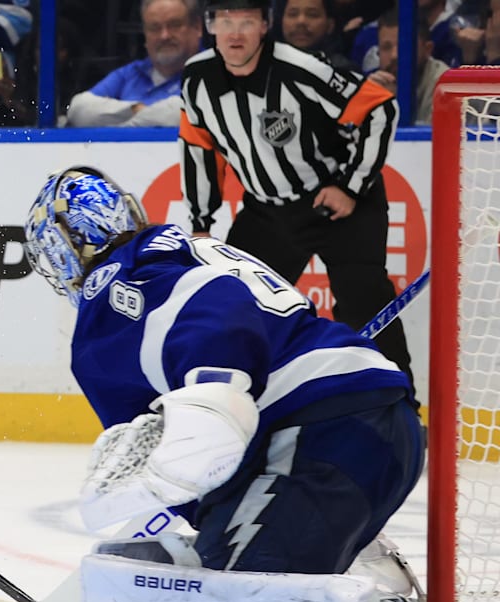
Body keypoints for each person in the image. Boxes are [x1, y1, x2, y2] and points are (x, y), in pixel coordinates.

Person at [22, 165, 497, 602]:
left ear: (62, 250)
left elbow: (211, 315)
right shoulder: (192, 250)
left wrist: (213, 390)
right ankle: (369, 588)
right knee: (224, 569)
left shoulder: (118, 286)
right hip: (368, 428)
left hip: (321, 435)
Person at [179, 0, 413, 385]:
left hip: (339, 206)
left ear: (265, 25)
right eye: (225, 21)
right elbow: (198, 147)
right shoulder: (197, 79)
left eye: (246, 22)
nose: (235, 33)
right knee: (234, 305)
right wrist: (201, 223)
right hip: (268, 212)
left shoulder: (299, 68)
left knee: (364, 307)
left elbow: (379, 110)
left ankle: (398, 401)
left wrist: (350, 187)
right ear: (210, 26)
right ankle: (238, 400)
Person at [66, 0, 202, 127]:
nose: (164, 36)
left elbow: (183, 113)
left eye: (174, 25)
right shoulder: (132, 73)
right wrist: (134, 108)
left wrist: (117, 123)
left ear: (197, 27)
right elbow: (78, 109)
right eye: (154, 28)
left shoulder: (209, 71)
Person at [368, 6, 449, 123]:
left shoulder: (445, 86)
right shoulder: (375, 83)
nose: (394, 55)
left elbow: (429, 134)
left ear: (428, 49)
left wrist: (394, 103)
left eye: (403, 46)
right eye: (386, 47)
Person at [278, 0, 358, 70]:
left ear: (330, 25)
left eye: (312, 15)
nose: (301, 21)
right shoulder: (271, 65)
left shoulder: (343, 71)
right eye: (293, 14)